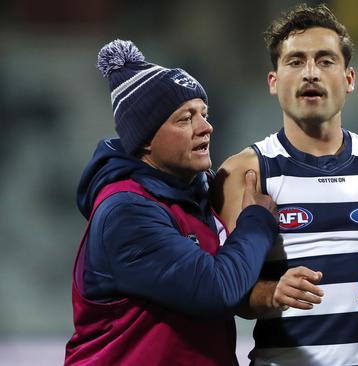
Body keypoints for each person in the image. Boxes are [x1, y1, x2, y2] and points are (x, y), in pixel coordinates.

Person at [215, 4, 358, 365]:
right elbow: (222, 291)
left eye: (326, 60)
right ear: (273, 81)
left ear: (349, 79)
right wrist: (272, 293)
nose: (310, 73)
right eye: (295, 61)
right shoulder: (243, 175)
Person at [64, 39, 278, 365]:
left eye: (204, 114)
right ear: (145, 139)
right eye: (185, 119)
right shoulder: (126, 211)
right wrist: (256, 221)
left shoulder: (196, 193)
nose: (206, 127)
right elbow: (217, 290)